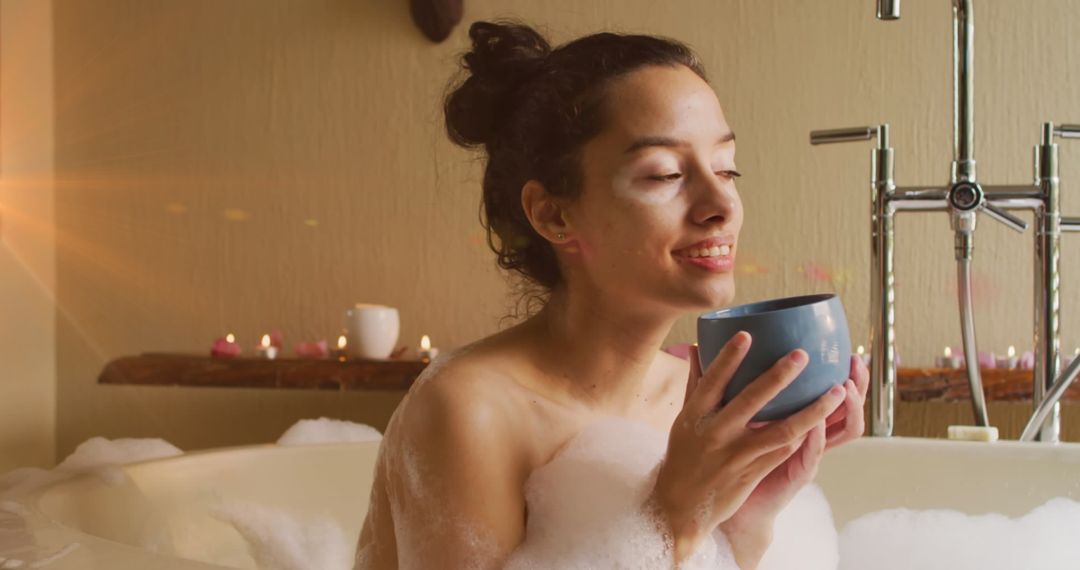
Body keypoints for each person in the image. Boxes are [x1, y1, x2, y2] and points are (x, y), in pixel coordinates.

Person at [355, 20, 868, 570]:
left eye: (726, 167)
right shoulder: (468, 411)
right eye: (664, 174)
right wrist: (674, 520)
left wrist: (747, 523)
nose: (721, 203)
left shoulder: (692, 403)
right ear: (555, 214)